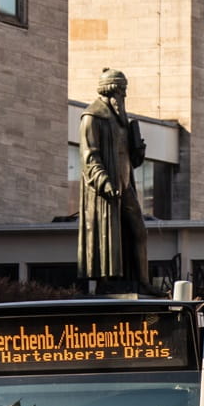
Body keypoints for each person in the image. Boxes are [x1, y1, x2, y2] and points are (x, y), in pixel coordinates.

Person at [77, 68, 149, 292]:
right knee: (108, 236)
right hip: (105, 190)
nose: (124, 95)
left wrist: (138, 151)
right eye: (121, 91)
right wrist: (104, 182)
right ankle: (106, 284)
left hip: (126, 185)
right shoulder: (92, 117)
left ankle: (143, 282)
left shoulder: (123, 122)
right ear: (110, 90)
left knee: (139, 230)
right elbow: (89, 156)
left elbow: (130, 159)